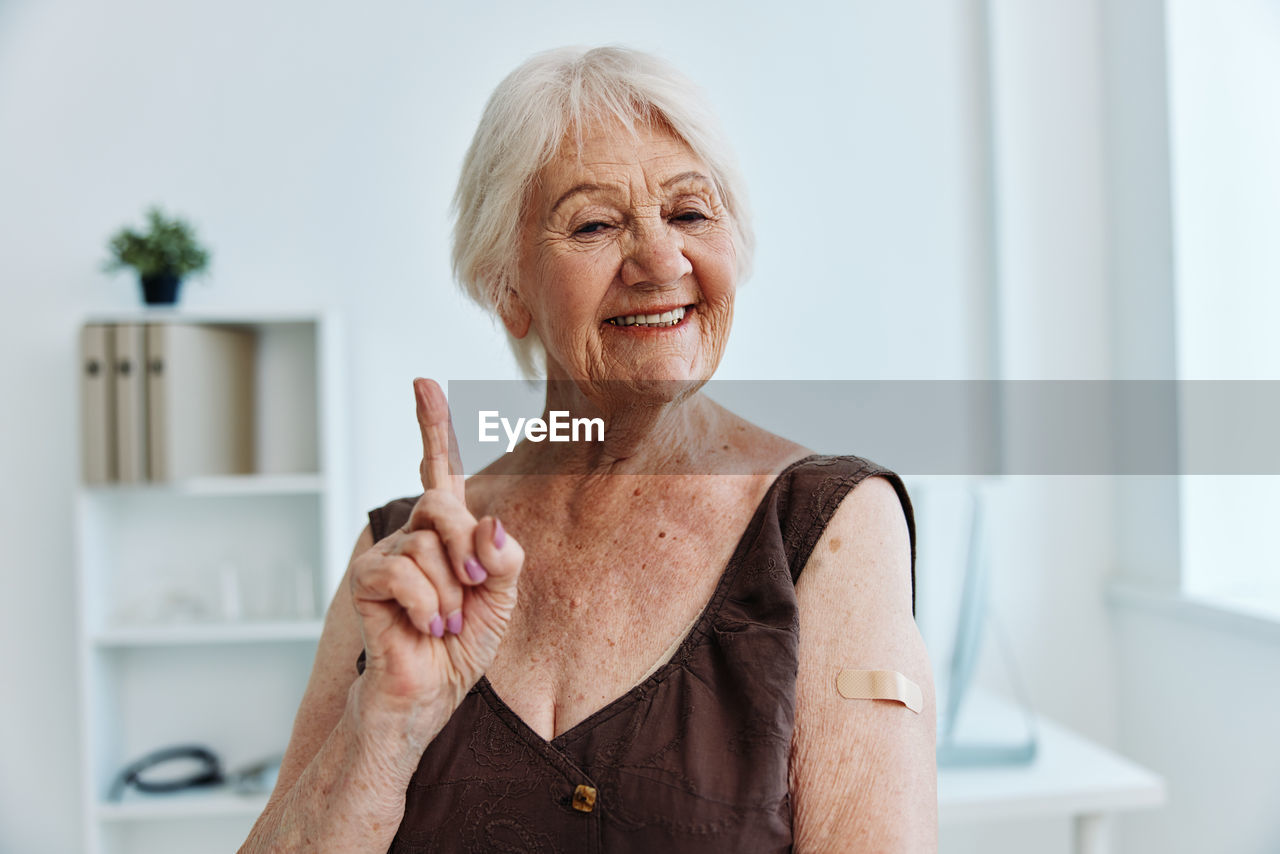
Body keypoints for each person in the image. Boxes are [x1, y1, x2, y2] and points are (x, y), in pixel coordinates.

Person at [241, 46, 936, 853]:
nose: (660, 262)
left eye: (689, 213)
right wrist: (379, 731)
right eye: (596, 224)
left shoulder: (827, 527)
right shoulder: (408, 560)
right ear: (508, 287)